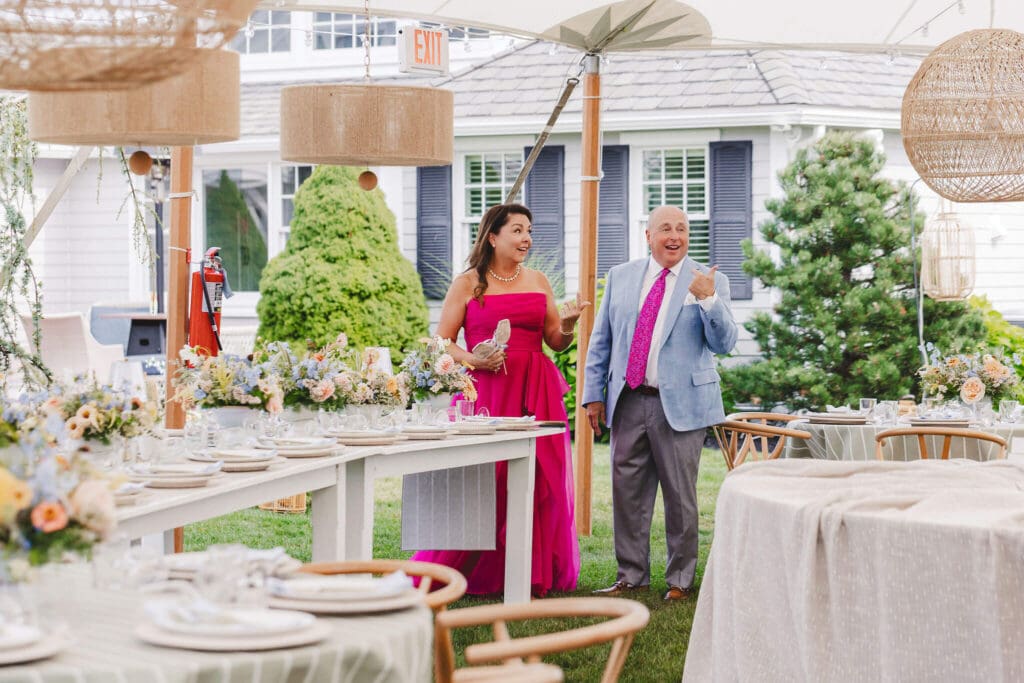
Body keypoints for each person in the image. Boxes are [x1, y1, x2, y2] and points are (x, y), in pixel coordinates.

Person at [411, 203, 585, 596]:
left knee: (542, 476)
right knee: (487, 479)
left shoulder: (538, 280)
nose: (526, 238)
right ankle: (474, 570)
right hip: (488, 391)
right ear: (493, 236)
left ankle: (529, 570)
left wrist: (570, 326)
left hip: (537, 389)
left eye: (528, 231)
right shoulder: (468, 283)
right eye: (518, 231)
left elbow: (554, 341)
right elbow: (441, 342)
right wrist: (473, 359)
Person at [582, 205, 737, 602]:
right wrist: (593, 397)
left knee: (680, 496)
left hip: (682, 403)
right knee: (627, 493)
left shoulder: (706, 279)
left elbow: (725, 343)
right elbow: (602, 340)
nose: (675, 236)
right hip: (629, 399)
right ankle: (631, 575)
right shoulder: (620, 277)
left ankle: (680, 580)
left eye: (682, 229)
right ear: (647, 236)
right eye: (665, 228)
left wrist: (708, 301)